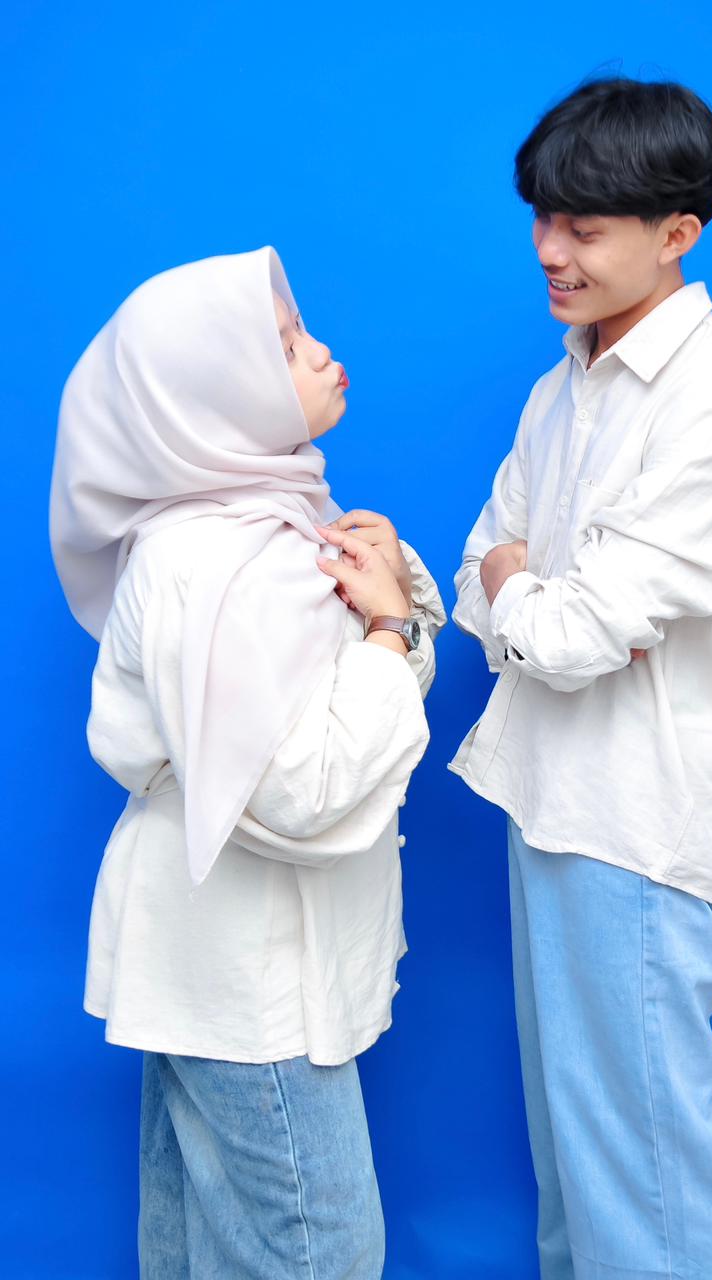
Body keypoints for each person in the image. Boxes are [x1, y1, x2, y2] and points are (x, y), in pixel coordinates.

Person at [50, 245, 445, 1279]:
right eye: (281, 346)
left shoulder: (268, 527)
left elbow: (337, 703)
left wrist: (392, 610)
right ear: (211, 395)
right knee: (316, 1251)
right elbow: (300, 788)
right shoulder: (218, 564)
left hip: (222, 969)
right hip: (248, 979)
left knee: (203, 1245)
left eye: (300, 329)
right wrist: (390, 630)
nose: (319, 351)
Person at [450, 78, 712, 1280]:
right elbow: (479, 577)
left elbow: (571, 631)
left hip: (639, 818)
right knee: (575, 1160)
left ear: (676, 232)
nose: (550, 250)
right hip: (546, 792)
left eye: (582, 228)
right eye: (543, 218)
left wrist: (533, 596)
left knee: (644, 1177)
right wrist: (527, 596)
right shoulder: (560, 388)